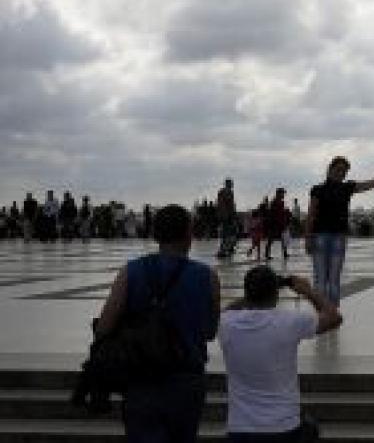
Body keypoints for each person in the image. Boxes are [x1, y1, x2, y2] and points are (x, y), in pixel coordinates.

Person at [94, 204, 221, 443]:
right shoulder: (208, 277)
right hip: (186, 380)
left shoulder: (130, 272)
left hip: (142, 381)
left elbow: (104, 327)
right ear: (188, 234)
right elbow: (210, 332)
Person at [220, 266, 341, 441]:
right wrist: (308, 291)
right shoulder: (289, 321)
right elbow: (334, 317)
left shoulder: (226, 323)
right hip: (284, 425)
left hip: (240, 426)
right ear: (275, 294)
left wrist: (253, 294)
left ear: (247, 293)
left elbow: (228, 310)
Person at [306, 152, 374, 305]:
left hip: (335, 237)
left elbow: (373, 183)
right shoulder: (319, 190)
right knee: (325, 279)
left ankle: (328, 312)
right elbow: (311, 214)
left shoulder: (345, 187)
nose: (340, 173)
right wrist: (308, 237)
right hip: (323, 236)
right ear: (330, 169)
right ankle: (326, 312)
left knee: (329, 279)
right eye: (338, 169)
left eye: (343, 171)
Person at [265, 189, 289, 260]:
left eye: (284, 194)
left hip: (281, 223)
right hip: (274, 224)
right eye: (282, 194)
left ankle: (285, 253)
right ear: (278, 194)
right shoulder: (274, 202)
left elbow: (281, 213)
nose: (283, 195)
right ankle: (267, 254)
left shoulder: (281, 202)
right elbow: (273, 214)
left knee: (283, 239)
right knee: (271, 239)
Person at [216, 179, 238, 259]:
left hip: (228, 216)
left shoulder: (228, 192)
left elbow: (231, 205)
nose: (232, 185)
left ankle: (227, 249)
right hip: (227, 217)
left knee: (229, 234)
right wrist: (227, 216)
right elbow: (223, 205)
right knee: (227, 234)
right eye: (231, 184)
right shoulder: (224, 192)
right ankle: (223, 250)